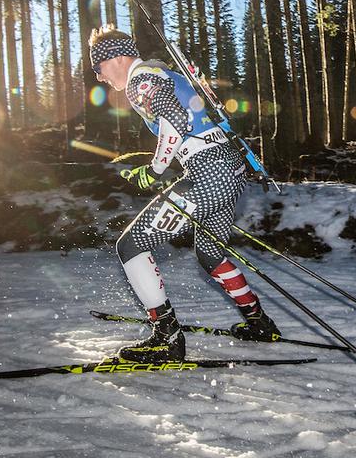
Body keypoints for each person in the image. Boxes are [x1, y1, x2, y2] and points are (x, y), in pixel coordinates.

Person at [88, 24, 280, 363]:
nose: (100, 77)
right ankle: (259, 322)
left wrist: (154, 170)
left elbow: (176, 122)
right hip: (228, 170)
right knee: (210, 254)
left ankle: (167, 339)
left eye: (98, 68)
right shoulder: (161, 72)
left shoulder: (139, 81)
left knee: (130, 246)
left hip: (208, 174)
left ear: (115, 58)